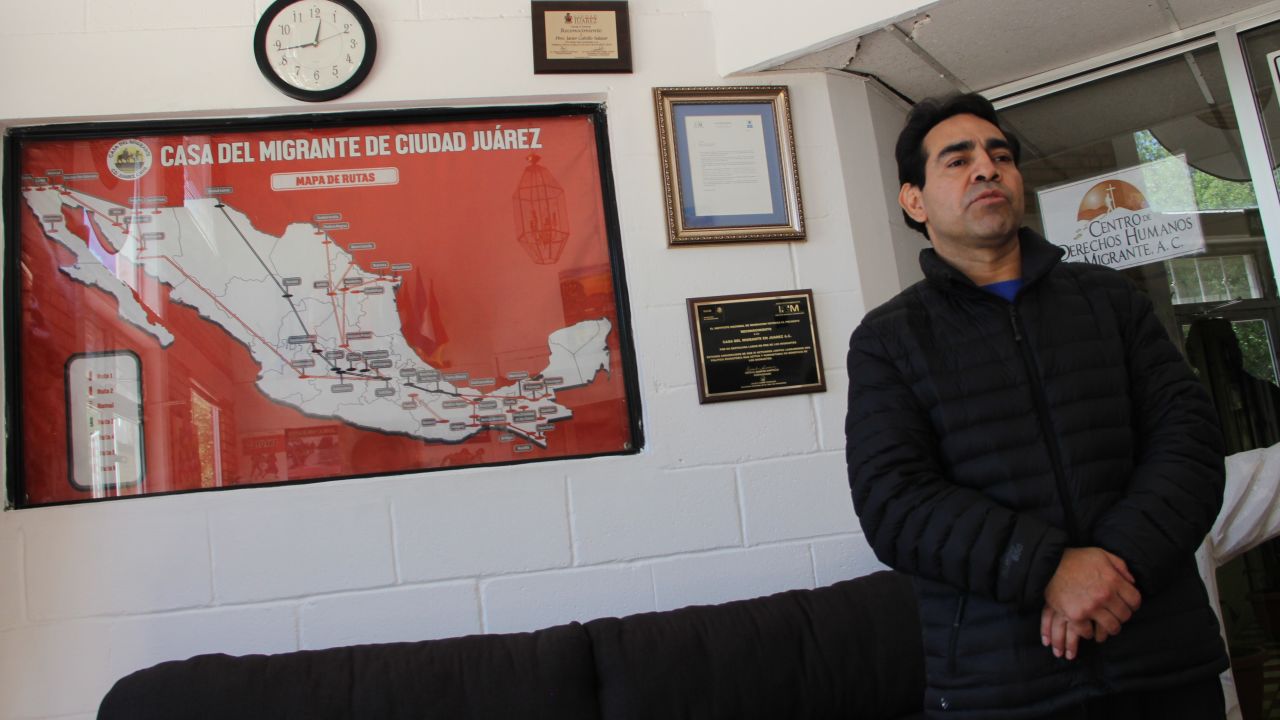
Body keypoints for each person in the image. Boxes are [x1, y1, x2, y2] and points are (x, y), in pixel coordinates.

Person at [844, 93, 1229, 719]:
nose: (987, 168)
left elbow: (1189, 442)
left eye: (1000, 155)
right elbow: (894, 501)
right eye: (957, 159)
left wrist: (1111, 570)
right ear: (913, 200)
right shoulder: (890, 340)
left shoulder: (1111, 301)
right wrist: (1046, 568)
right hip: (1004, 688)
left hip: (1161, 661)